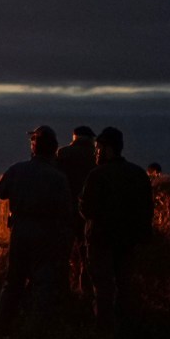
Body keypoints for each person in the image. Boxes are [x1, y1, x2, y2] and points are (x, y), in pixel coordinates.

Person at [0, 125, 73, 330]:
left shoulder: (17, 169)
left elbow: (0, 192)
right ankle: (37, 329)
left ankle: (2, 325)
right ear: (54, 149)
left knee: (13, 280)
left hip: (20, 230)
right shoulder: (58, 177)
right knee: (43, 281)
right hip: (47, 232)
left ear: (34, 146)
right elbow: (66, 210)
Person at [77, 126, 154, 329]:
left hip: (101, 240)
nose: (96, 152)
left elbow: (86, 209)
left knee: (103, 287)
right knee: (125, 285)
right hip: (128, 241)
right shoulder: (138, 174)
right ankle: (127, 327)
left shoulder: (97, 175)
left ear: (108, 149)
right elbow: (147, 209)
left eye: (99, 148)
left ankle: (105, 330)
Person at [53, 126, 98, 294]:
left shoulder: (62, 153)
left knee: (61, 253)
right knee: (86, 254)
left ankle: (61, 291)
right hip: (87, 212)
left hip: (64, 210)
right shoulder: (95, 156)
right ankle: (86, 290)